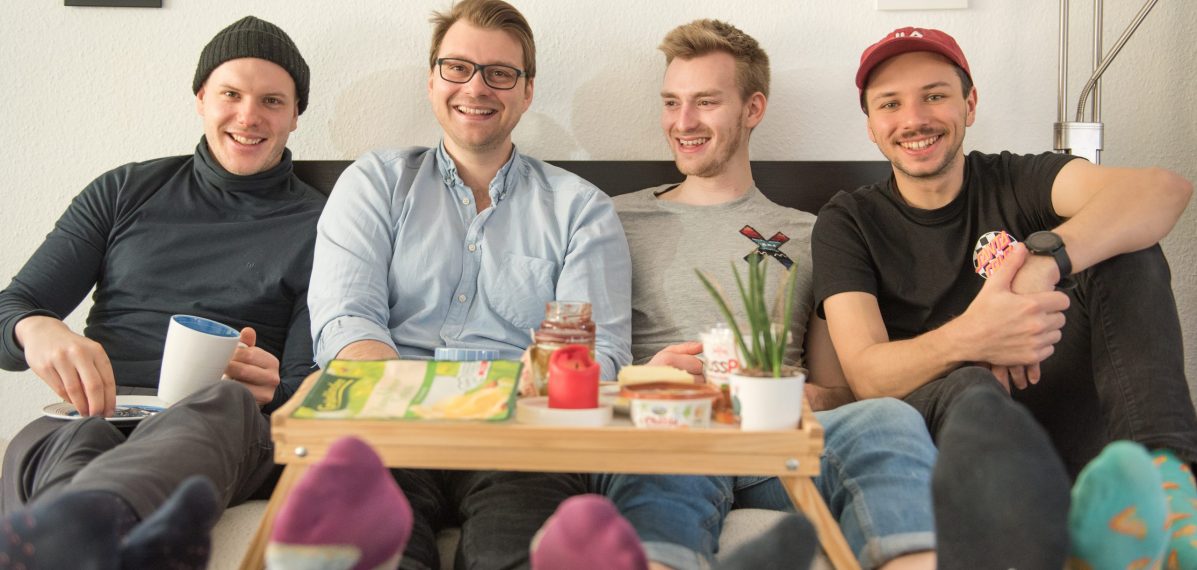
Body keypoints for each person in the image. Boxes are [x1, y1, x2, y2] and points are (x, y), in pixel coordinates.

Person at [813, 26, 1197, 568]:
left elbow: (1163, 190)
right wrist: (979, 335)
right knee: (966, 382)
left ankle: (1168, 493)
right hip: (945, 428)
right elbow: (868, 376)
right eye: (890, 104)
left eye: (935, 95)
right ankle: (1021, 539)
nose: (914, 118)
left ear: (969, 104)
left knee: (1127, 249)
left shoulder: (1019, 177)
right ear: (873, 127)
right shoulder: (847, 221)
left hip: (1048, 396)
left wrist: (1045, 263)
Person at [579, 19, 943, 570]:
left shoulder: (813, 232)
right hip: (667, 429)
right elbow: (569, 366)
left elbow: (841, 390)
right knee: (662, 463)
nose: (684, 122)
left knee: (888, 419)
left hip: (777, 448)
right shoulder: (609, 217)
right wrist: (643, 377)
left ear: (753, 109)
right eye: (672, 103)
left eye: (705, 102)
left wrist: (808, 397)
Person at [302, 0, 631, 567]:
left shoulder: (582, 210)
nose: (476, 88)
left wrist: (499, 402)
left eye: (500, 73)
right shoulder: (374, 183)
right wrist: (424, 403)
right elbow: (345, 320)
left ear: (527, 92)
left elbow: (598, 353)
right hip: (387, 428)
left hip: (521, 441)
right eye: (457, 67)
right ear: (431, 81)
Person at [0, 15, 324, 570]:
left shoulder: (323, 223)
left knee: (225, 402)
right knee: (76, 438)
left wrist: (277, 385)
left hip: (226, 426)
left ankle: (87, 525)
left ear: (295, 115)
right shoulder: (125, 190)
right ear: (201, 98)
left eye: (272, 101)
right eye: (231, 93)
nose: (249, 116)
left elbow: (303, 389)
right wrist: (37, 328)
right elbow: (12, 309)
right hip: (101, 409)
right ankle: (91, 538)